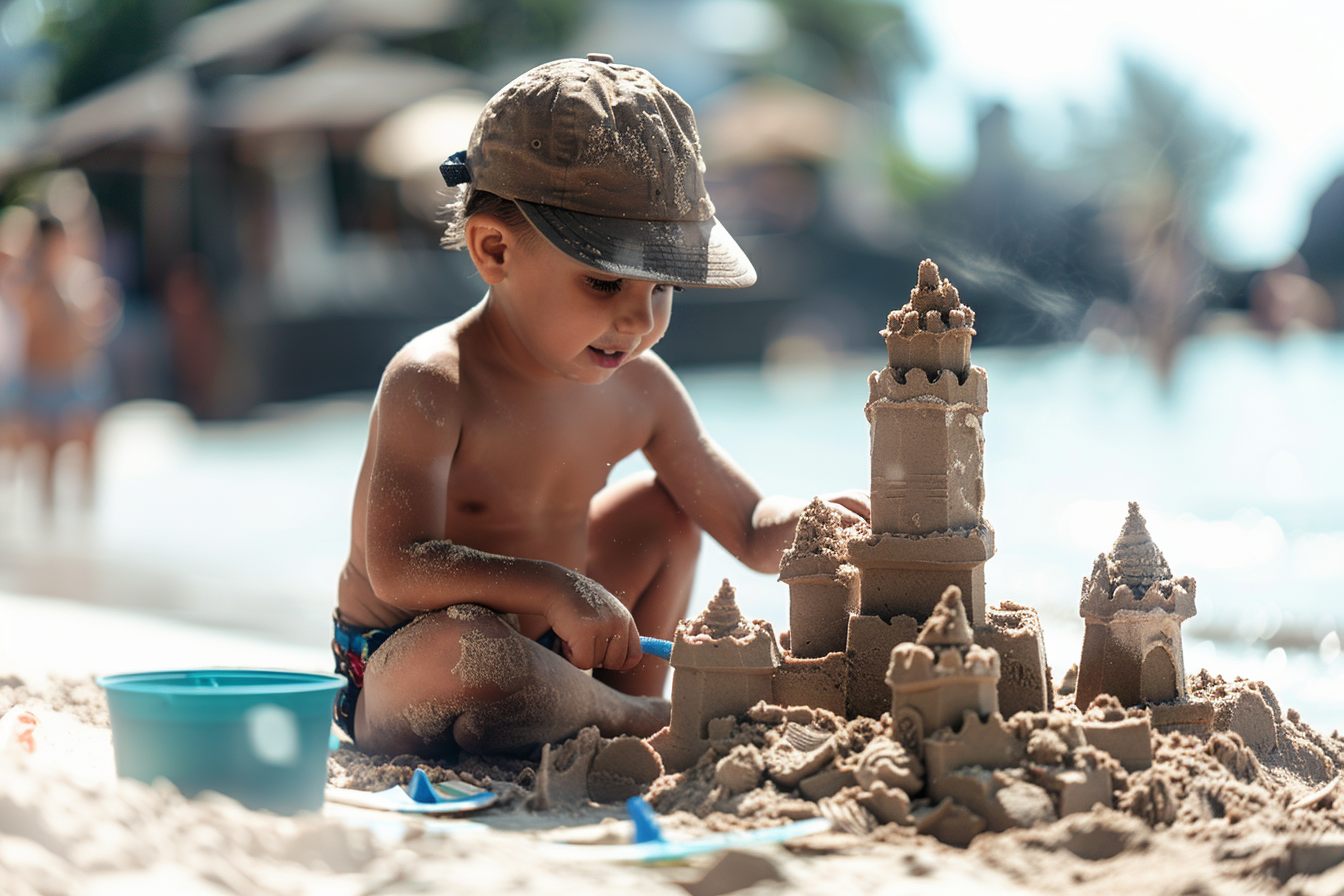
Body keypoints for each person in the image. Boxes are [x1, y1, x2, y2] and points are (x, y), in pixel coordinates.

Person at [333, 55, 869, 759]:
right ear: (495, 250)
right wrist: (554, 588)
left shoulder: (641, 388)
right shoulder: (434, 380)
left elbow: (744, 525)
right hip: (407, 662)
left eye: (662, 289)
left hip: (572, 644)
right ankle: (640, 717)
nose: (638, 322)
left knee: (667, 509)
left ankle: (613, 703)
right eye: (603, 282)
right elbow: (396, 568)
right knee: (471, 651)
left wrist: (813, 527)